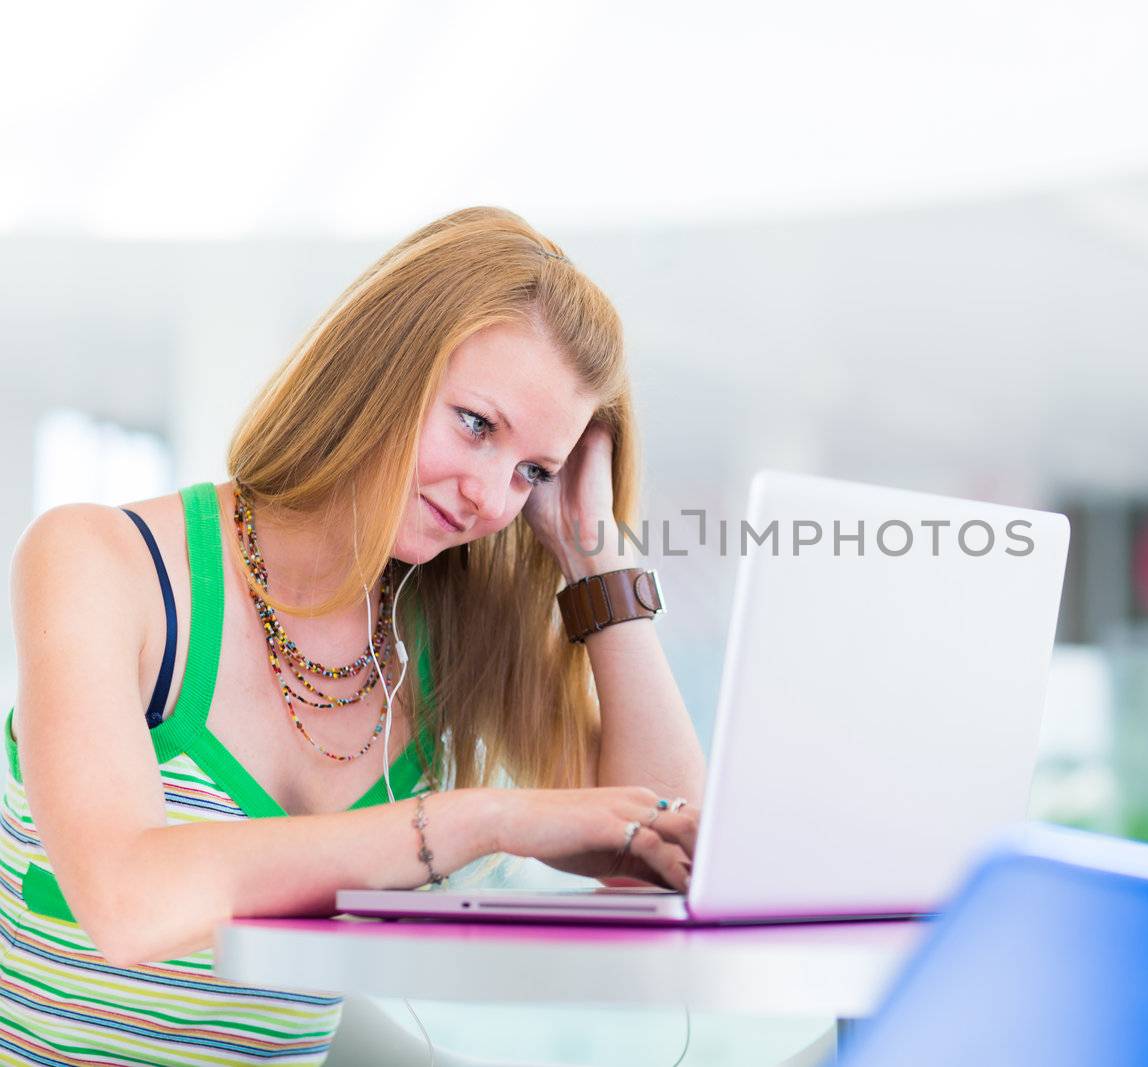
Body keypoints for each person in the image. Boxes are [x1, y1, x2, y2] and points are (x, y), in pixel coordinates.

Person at [1, 206, 705, 1065]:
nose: (491, 495)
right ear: (382, 367)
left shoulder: (451, 635)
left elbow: (667, 858)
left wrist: (592, 558)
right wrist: (488, 818)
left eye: (533, 471)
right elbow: (128, 901)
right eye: (476, 424)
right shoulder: (104, 561)